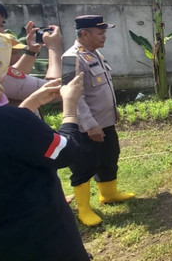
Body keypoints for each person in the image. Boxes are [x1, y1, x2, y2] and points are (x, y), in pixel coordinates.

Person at [0, 21, 90, 261]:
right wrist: (69, 107)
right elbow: (66, 152)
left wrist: (31, 103)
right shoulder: (6, 121)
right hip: (38, 242)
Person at [63, 15, 134, 227]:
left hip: (105, 121)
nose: (104, 36)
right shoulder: (71, 58)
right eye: (100, 32)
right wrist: (90, 124)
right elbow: (74, 96)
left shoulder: (94, 54)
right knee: (85, 164)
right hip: (87, 126)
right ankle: (84, 208)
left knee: (110, 156)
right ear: (85, 33)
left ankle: (109, 194)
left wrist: (113, 111)